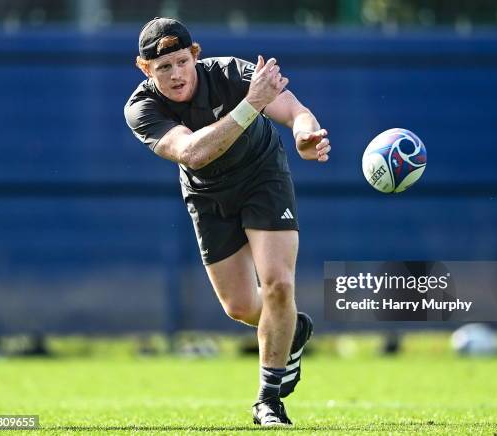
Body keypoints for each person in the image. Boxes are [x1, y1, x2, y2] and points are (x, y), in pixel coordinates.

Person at [124, 17, 331, 426]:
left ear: (195, 55)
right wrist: (251, 105)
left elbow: (295, 111)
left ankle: (268, 400)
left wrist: (306, 136)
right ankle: (291, 326)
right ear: (145, 69)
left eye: (181, 61)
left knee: (278, 283)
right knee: (239, 306)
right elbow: (193, 153)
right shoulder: (141, 108)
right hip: (207, 192)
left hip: (261, 176)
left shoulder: (233, 74)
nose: (175, 74)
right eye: (162, 67)